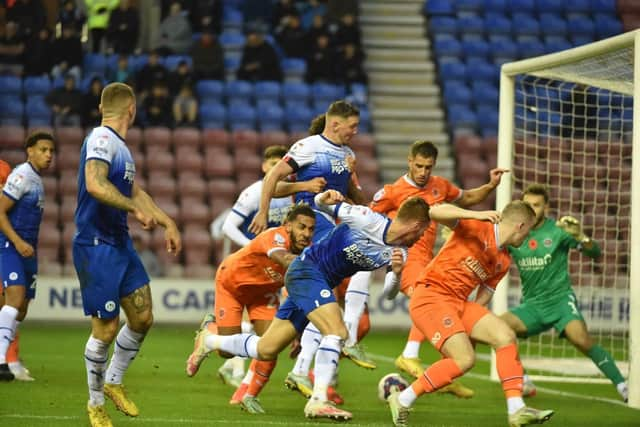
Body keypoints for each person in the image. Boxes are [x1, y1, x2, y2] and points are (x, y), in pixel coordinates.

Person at [188, 189, 431, 420]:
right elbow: (320, 205)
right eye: (422, 232)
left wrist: (397, 274)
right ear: (415, 225)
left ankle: (209, 340)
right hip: (307, 271)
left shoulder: (400, 252)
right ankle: (318, 400)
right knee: (337, 332)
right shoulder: (368, 219)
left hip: (316, 281)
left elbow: (390, 294)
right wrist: (325, 197)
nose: (422, 237)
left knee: (267, 349)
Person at [348, 140, 507, 398]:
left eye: (428, 167)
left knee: (445, 306)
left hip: (428, 260)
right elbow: (367, 218)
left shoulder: (440, 186)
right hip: (406, 257)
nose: (423, 172)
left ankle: (444, 372)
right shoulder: (392, 191)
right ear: (409, 161)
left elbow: (467, 197)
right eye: (419, 166)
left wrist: (490, 186)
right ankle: (410, 355)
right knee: (431, 299)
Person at [387, 201, 555, 427]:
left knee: (504, 336)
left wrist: (471, 330)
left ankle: (517, 409)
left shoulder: (503, 261)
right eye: (528, 230)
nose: (528, 236)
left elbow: (482, 300)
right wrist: (476, 214)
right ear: (520, 226)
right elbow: (434, 211)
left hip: (458, 303)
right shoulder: (476, 226)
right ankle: (404, 398)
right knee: (465, 360)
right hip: (432, 296)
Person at [73, 82, 181, 427]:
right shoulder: (102, 140)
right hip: (96, 245)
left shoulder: (120, 147)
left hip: (118, 244)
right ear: (131, 108)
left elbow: (134, 189)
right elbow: (94, 183)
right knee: (105, 330)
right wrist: (135, 210)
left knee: (143, 318)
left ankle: (114, 381)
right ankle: (95, 404)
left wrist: (167, 221)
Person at [501, 184, 628, 402]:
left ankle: (623, 386)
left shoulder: (558, 231)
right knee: (498, 328)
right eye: (527, 204)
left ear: (546, 208)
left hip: (560, 301)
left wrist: (581, 237)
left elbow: (595, 252)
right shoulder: (515, 232)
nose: (531, 209)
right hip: (533, 305)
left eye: (536, 205)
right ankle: (523, 380)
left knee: (582, 340)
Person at [216, 144, 325, 393]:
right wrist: (255, 247)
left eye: (282, 164)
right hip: (253, 262)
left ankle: (240, 377)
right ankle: (233, 364)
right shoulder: (256, 192)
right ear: (265, 167)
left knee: (269, 338)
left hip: (276, 270)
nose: (279, 170)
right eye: (273, 165)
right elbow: (228, 227)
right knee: (243, 327)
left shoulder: (295, 195)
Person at [188, 204, 316, 414]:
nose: (306, 234)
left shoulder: (307, 251)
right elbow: (283, 259)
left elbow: (299, 293)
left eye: (311, 229)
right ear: (287, 225)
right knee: (226, 352)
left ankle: (248, 396)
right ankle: (209, 330)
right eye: (301, 227)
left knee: (270, 345)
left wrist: (299, 333)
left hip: (263, 294)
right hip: (232, 286)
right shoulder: (275, 237)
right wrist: (314, 262)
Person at [0, 132, 55, 382]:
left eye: (51, 151)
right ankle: (2, 362)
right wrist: (18, 241)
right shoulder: (22, 175)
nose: (48, 155)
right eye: (43, 150)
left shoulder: (37, 179)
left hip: (27, 250)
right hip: (11, 246)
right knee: (14, 297)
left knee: (20, 310)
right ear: (29, 151)